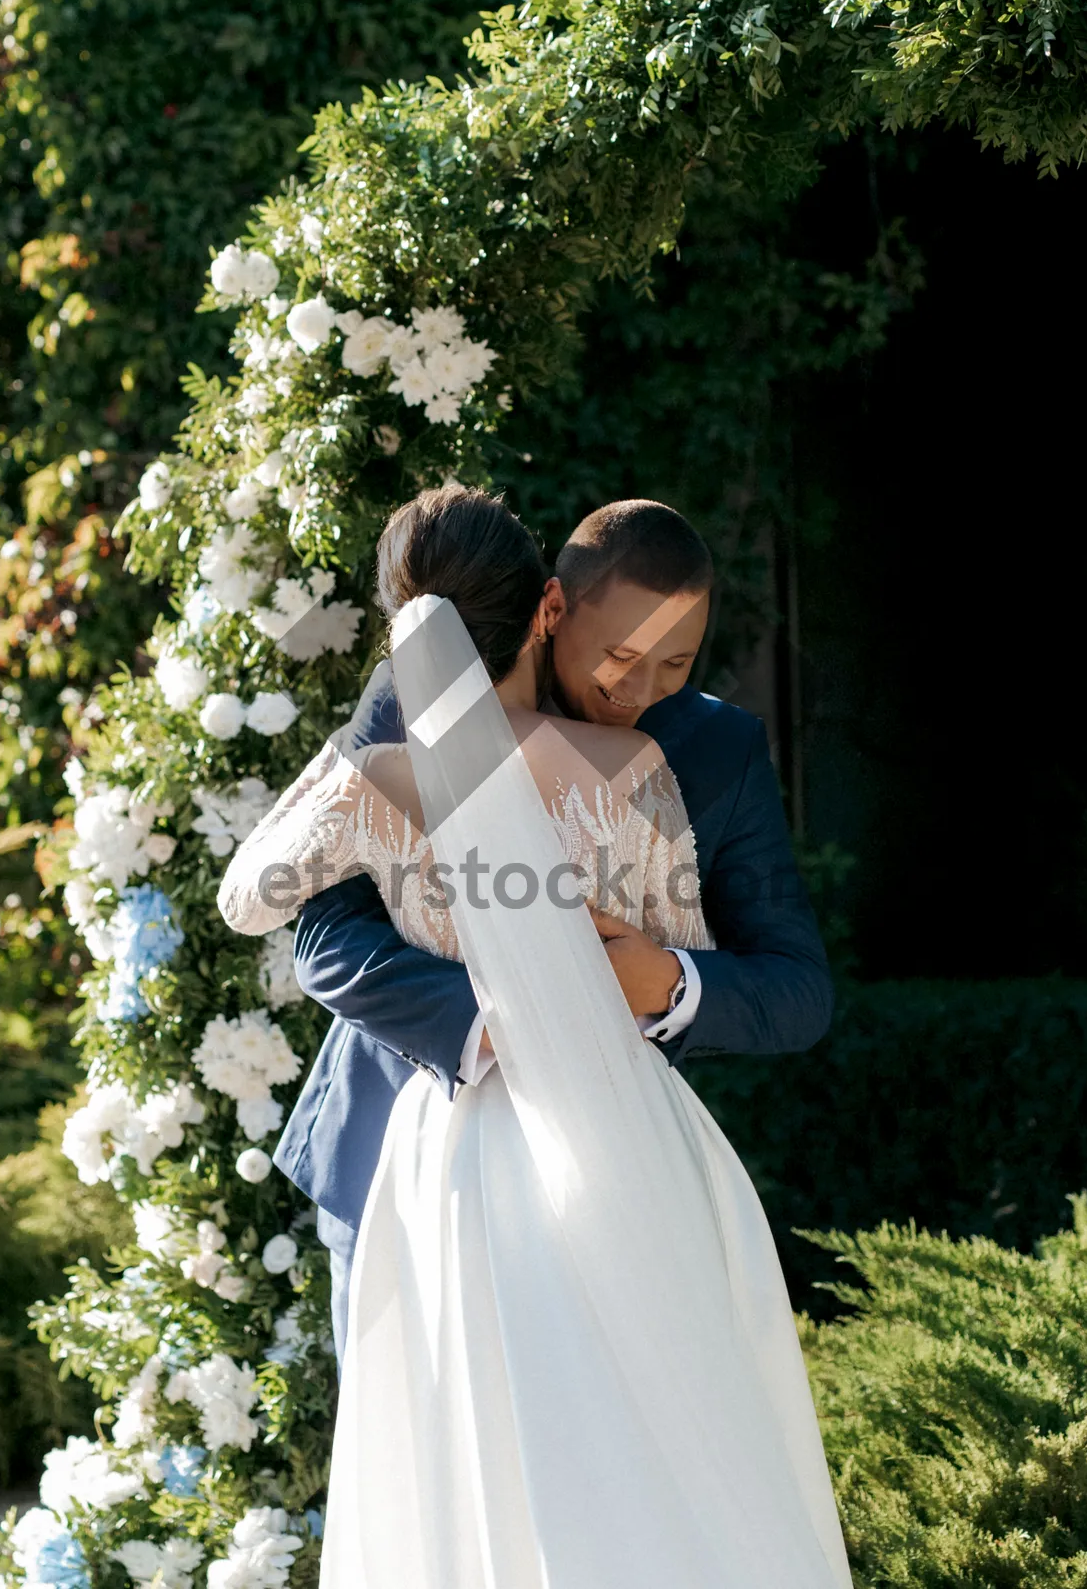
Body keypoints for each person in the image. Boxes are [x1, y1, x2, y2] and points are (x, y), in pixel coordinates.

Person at [218, 488, 850, 1587]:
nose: (643, 690)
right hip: (398, 1147)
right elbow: (324, 934)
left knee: (622, 1476)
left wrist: (662, 980)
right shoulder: (408, 706)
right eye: (621, 659)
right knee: (425, 1477)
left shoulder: (709, 749)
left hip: (610, 1163)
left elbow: (794, 987)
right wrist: (496, 1017)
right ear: (552, 609)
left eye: (677, 662)